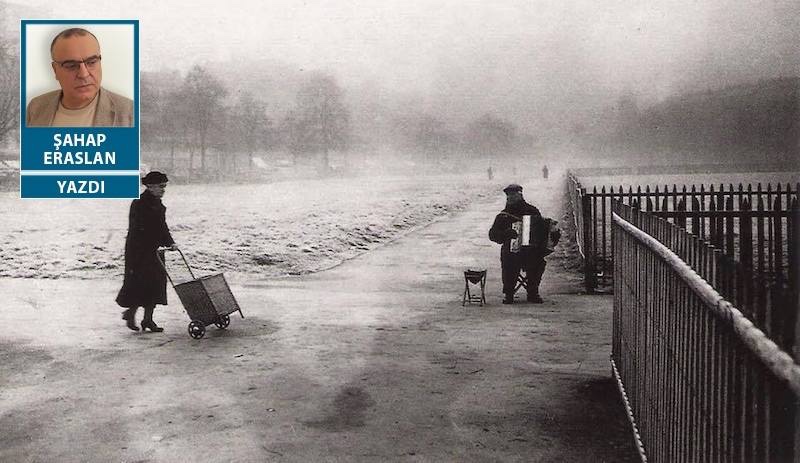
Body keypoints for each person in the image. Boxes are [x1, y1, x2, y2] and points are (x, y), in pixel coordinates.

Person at [26, 27, 133, 127]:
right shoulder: (35, 107)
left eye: (91, 62)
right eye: (71, 66)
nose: (84, 74)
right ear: (55, 70)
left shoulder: (130, 113)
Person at [116, 171, 177, 332]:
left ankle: (148, 320)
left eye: (164, 186)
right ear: (150, 186)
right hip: (139, 251)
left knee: (155, 284)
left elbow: (162, 227)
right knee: (140, 284)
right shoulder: (139, 203)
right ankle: (131, 313)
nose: (163, 189)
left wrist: (170, 242)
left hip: (153, 250)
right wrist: (156, 241)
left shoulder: (158, 204)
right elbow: (140, 228)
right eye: (160, 186)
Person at [488, 184, 549, 304]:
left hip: (531, 251)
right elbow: (492, 235)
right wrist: (506, 234)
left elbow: (543, 230)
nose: (510, 198)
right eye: (509, 196)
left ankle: (533, 292)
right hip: (511, 252)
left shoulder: (532, 211)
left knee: (539, 261)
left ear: (520, 195)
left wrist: (551, 234)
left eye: (513, 195)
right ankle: (509, 293)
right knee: (509, 260)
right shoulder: (503, 216)